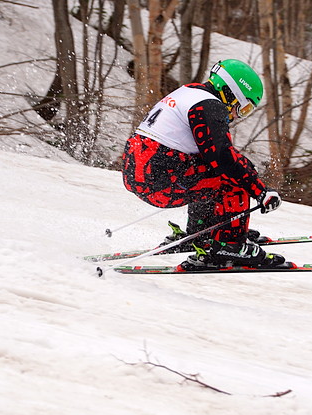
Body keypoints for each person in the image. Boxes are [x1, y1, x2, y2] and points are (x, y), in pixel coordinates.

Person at [121, 59, 286, 270]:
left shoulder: (189, 92)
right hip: (159, 182)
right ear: (230, 91)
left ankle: (205, 231)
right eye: (241, 107)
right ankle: (230, 246)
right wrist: (260, 191)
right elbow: (223, 159)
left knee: (208, 169)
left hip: (141, 173)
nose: (237, 115)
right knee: (233, 177)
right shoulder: (208, 105)